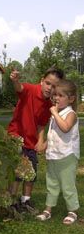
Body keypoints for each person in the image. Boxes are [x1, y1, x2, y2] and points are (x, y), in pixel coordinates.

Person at [7, 66, 64, 213]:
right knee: (17, 171)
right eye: (47, 83)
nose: (49, 88)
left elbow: (41, 125)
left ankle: (25, 200)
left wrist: (40, 141)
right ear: (41, 81)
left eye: (54, 86)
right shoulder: (30, 89)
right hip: (16, 137)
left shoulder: (49, 105)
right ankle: (10, 201)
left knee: (31, 172)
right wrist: (15, 80)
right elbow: (19, 88)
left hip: (31, 142)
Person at [36, 79, 80, 224]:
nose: (56, 98)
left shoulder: (71, 114)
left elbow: (65, 127)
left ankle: (72, 211)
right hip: (54, 155)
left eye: (61, 95)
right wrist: (45, 145)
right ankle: (48, 210)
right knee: (52, 184)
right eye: (55, 95)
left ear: (71, 99)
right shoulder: (57, 114)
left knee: (68, 185)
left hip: (67, 155)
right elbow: (54, 134)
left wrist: (55, 113)